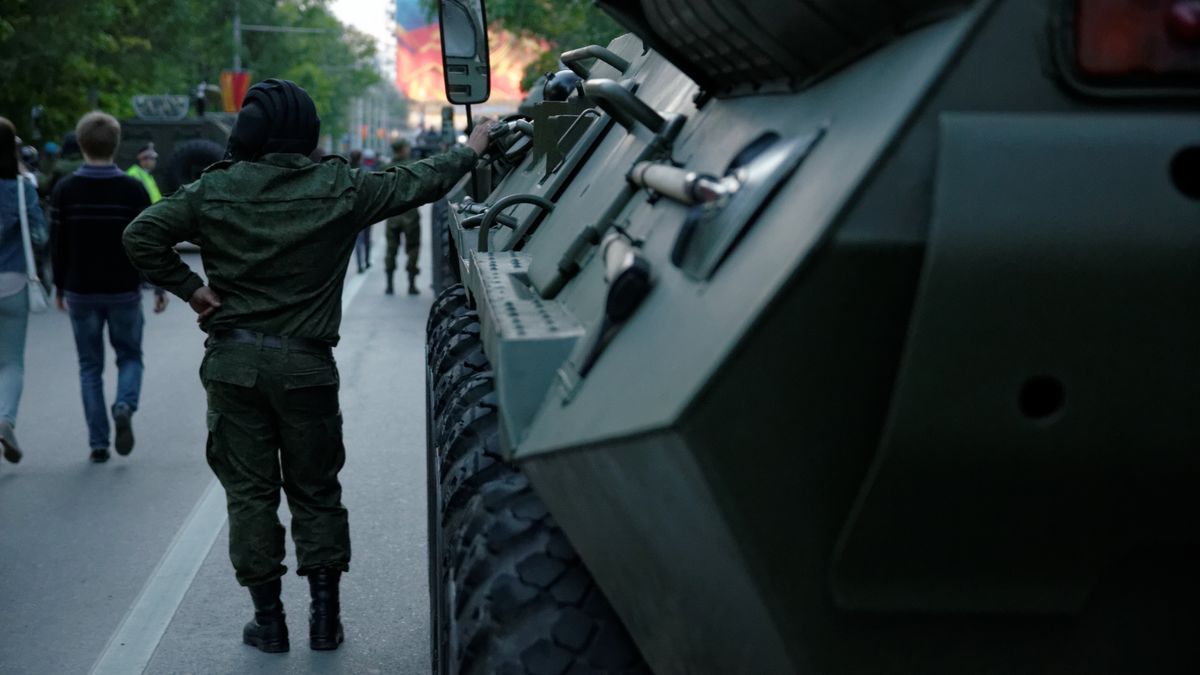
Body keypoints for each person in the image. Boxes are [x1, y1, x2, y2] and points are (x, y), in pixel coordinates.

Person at [122, 79, 492, 654]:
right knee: (316, 492)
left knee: (250, 496)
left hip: (234, 363)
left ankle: (268, 622)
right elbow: (418, 182)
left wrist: (193, 289)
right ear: (308, 132)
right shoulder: (339, 186)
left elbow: (141, 235)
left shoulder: (213, 191)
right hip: (306, 366)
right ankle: (326, 620)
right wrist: (471, 148)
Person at [50, 111, 168, 463]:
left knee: (90, 368)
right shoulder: (132, 189)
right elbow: (150, 242)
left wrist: (58, 287)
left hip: (80, 291)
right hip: (124, 290)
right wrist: (159, 287)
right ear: (117, 146)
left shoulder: (65, 189)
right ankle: (124, 405)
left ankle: (98, 443)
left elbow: (58, 244)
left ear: (82, 145)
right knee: (130, 356)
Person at [0, 117, 48, 465]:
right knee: (12, 361)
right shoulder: (21, 188)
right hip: (13, 281)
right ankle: (5, 419)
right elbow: (40, 236)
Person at [382, 138, 421, 295]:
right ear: (403, 150)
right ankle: (411, 285)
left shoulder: (385, 167)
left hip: (392, 214)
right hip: (410, 214)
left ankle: (389, 285)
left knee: (391, 249)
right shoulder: (413, 166)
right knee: (413, 248)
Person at [348, 150, 372, 274]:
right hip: (365, 209)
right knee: (367, 239)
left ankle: (359, 264)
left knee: (358, 240)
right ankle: (367, 261)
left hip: (352, 211)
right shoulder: (365, 171)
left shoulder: (345, 171)